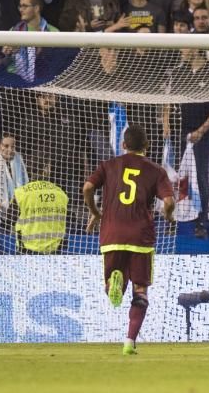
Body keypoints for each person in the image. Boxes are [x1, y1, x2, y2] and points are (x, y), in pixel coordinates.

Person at [83, 124, 175, 356]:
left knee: (113, 282)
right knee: (141, 290)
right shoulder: (156, 171)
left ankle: (114, 282)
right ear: (147, 146)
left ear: (124, 145)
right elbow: (169, 202)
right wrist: (169, 216)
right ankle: (129, 341)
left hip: (111, 233)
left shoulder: (108, 165)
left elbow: (87, 187)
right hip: (140, 235)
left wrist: (95, 213)